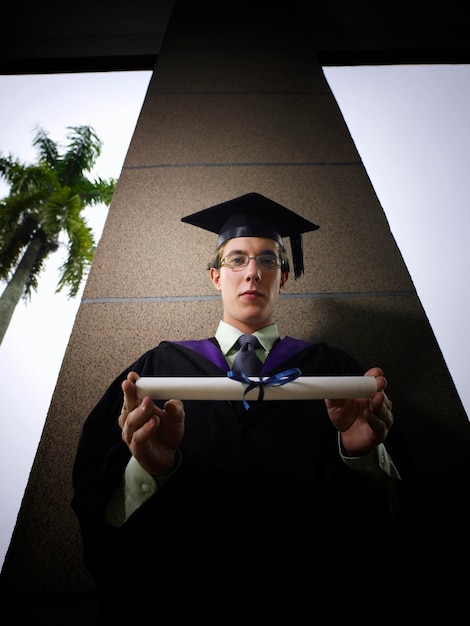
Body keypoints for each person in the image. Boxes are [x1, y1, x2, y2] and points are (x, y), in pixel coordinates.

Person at [71, 192, 412, 610]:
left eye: (268, 260)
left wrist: (361, 455)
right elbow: (96, 507)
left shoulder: (331, 371)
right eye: (237, 260)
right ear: (215, 276)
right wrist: (146, 470)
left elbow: (401, 512)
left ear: (283, 277)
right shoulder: (160, 369)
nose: (252, 272)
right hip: (179, 599)